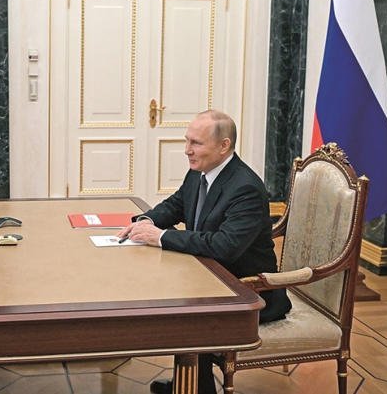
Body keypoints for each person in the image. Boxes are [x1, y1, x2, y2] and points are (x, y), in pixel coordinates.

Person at [116, 109, 292, 394]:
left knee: (180, 311)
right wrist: (145, 221)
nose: (187, 150)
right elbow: (176, 205)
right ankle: (191, 383)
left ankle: (196, 387)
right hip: (208, 277)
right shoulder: (200, 171)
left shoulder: (245, 188)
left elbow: (225, 246)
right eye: (187, 141)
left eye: (196, 143)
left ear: (224, 146)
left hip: (246, 291)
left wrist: (161, 237)